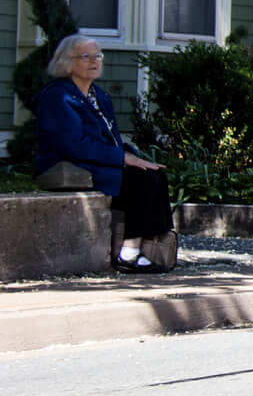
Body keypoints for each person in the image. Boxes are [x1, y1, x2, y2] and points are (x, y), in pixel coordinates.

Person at [33, 35, 174, 273]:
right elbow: (72, 144)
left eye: (97, 55)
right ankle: (128, 254)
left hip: (97, 160)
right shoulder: (59, 96)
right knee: (140, 179)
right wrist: (121, 158)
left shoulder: (99, 96)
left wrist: (131, 155)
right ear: (67, 62)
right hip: (70, 164)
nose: (94, 61)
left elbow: (111, 138)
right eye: (85, 56)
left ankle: (152, 245)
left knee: (155, 174)